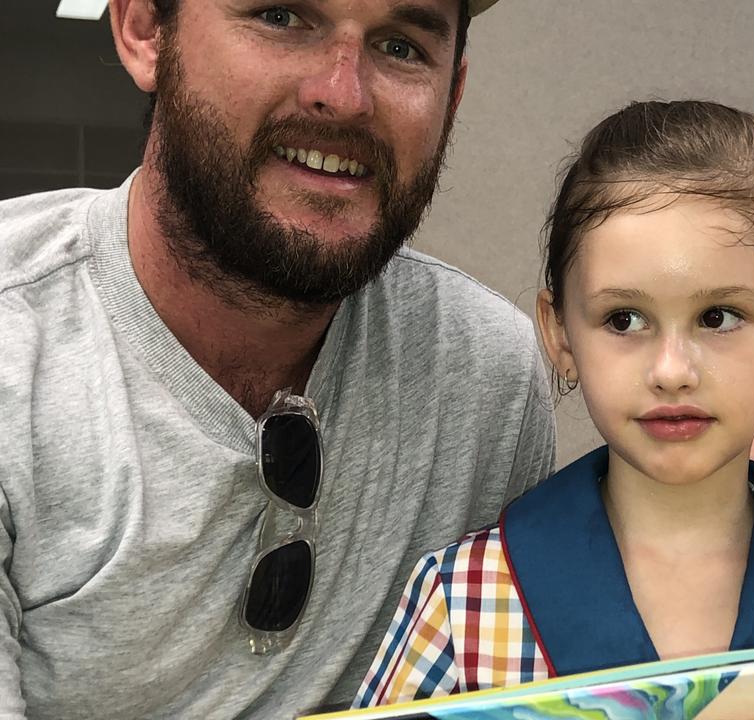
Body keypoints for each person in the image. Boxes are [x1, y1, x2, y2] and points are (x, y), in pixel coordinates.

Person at [0, 0, 554, 718]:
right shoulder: (18, 347)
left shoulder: (487, 382)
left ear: (452, 94)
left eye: (402, 46)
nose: (344, 95)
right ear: (144, 29)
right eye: (282, 17)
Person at [353, 99, 754, 707]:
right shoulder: (465, 599)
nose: (672, 371)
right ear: (559, 334)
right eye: (623, 319)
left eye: (719, 317)